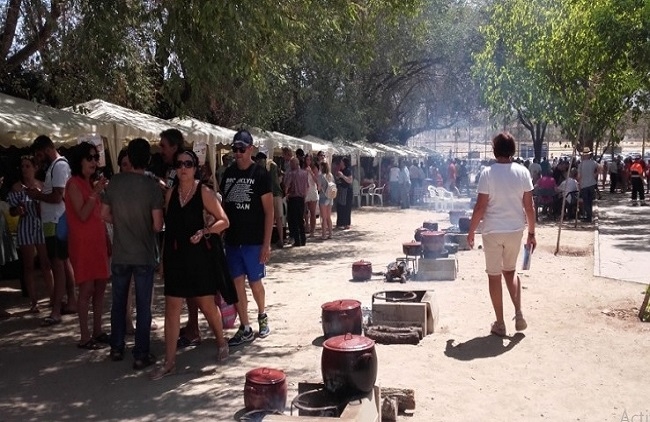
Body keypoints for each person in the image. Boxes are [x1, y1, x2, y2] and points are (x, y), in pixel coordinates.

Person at [149, 149, 235, 380]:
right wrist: (164, 262)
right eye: (179, 164)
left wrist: (206, 230)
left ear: (195, 167)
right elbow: (170, 230)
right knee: (172, 309)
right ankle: (169, 362)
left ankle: (221, 341)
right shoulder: (171, 194)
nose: (183, 168)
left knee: (206, 305)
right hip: (176, 257)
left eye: (188, 164)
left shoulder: (203, 192)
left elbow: (224, 221)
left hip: (199, 257)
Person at [466, 132, 536, 337]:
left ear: (495, 150)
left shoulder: (487, 173)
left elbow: (480, 208)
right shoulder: (523, 172)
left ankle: (500, 323)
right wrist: (531, 232)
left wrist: (471, 232)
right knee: (511, 272)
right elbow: (529, 207)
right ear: (512, 150)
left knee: (494, 276)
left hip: (492, 231)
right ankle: (519, 312)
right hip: (515, 230)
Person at [103, 139, 164, 368]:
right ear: (148, 159)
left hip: (121, 252)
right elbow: (157, 225)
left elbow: (103, 214)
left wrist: (121, 223)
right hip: (143, 253)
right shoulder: (151, 187)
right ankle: (141, 353)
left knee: (118, 302)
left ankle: (116, 347)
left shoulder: (115, 183)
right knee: (143, 305)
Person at [220, 130, 273, 346]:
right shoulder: (228, 174)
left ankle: (262, 314)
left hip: (253, 240)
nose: (238, 153)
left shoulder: (260, 174)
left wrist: (267, 244)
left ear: (250, 148)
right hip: (233, 240)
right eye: (235, 149)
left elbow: (269, 211)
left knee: (255, 283)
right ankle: (245, 326)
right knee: (237, 284)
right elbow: (223, 205)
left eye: (242, 149)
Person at [65, 142, 110, 350]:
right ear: (80, 160)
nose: (94, 161)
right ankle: (84, 336)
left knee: (100, 286)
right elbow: (82, 214)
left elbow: (99, 216)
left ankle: (97, 331)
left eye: (95, 157)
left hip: (98, 241)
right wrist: (95, 193)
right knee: (86, 288)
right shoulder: (73, 183)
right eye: (89, 157)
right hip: (82, 243)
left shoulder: (92, 183)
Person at [28, 135, 76, 326]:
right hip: (53, 221)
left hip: (56, 220)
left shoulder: (59, 166)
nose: (38, 159)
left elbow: (57, 197)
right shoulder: (55, 166)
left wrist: (37, 195)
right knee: (63, 263)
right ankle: (70, 301)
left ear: (47, 149)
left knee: (57, 264)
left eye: (39, 154)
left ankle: (56, 310)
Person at [7, 156, 53, 313]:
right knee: (28, 265)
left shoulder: (41, 186)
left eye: (28, 166)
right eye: (23, 166)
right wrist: (17, 210)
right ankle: (34, 302)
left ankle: (53, 297)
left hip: (40, 225)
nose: (25, 169)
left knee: (46, 263)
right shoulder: (16, 188)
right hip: (25, 226)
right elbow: (11, 211)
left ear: (35, 168)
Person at [255, 152, 285, 249]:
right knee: (278, 219)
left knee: (270, 218)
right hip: (277, 194)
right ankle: (280, 239)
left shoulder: (266, 166)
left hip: (270, 194)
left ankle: (269, 242)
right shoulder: (273, 165)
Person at [284, 157, 309, 247]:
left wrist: (286, 193)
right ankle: (303, 239)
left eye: (291, 163)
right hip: (301, 198)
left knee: (293, 220)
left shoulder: (292, 174)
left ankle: (297, 241)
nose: (290, 165)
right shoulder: (305, 173)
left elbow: (287, 185)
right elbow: (307, 186)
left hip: (293, 198)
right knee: (300, 220)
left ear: (294, 164)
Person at [577, 147, 599, 222]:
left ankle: (589, 216)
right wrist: (595, 174)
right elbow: (601, 168)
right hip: (592, 184)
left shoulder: (581, 165)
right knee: (590, 201)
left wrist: (579, 184)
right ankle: (589, 216)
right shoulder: (593, 163)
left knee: (586, 201)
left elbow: (579, 176)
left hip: (584, 185)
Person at [303, 154, 319, 238]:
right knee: (305, 211)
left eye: (309, 159)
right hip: (305, 191)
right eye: (306, 159)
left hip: (312, 191)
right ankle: (307, 226)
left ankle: (313, 230)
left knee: (312, 212)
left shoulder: (314, 168)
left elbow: (316, 181)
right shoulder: (303, 168)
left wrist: (311, 172)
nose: (308, 161)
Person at [335, 157, 353, 229]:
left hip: (347, 191)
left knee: (347, 207)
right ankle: (340, 223)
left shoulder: (348, 171)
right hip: (340, 190)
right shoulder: (340, 170)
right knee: (340, 206)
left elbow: (350, 180)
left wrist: (342, 176)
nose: (340, 163)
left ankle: (346, 223)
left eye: (341, 162)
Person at [318, 161, 334, 240]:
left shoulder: (321, 176)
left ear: (322, 167)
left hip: (323, 197)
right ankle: (330, 233)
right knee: (328, 217)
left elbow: (319, 188)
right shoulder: (330, 175)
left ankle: (324, 234)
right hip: (330, 197)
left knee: (323, 217)